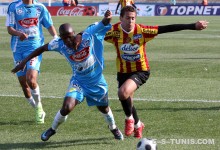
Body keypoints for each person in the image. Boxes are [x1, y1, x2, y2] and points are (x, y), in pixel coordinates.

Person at [11, 10, 124, 141]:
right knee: (66, 107)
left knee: (104, 108)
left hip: (96, 82)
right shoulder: (58, 44)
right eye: (65, 38)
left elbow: (103, 23)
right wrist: (23, 63)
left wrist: (107, 18)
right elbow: (41, 49)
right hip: (78, 82)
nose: (69, 40)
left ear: (74, 33)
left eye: (70, 36)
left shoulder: (88, 35)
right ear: (61, 38)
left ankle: (113, 127)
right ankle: (52, 129)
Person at [104, 6, 208, 139]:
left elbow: (167, 28)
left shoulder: (141, 30)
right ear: (120, 18)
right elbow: (94, 32)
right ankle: (138, 124)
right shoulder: (113, 31)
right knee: (127, 98)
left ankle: (129, 118)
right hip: (123, 72)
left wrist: (193, 26)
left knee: (122, 93)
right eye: (128, 18)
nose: (131, 21)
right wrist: (78, 36)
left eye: (133, 18)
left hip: (141, 70)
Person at [6, 0, 58, 124]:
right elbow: (9, 28)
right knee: (24, 84)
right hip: (18, 49)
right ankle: (38, 109)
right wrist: (19, 33)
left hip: (34, 47)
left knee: (31, 79)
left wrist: (56, 38)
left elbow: (49, 24)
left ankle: (39, 107)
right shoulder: (13, 6)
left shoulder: (40, 7)